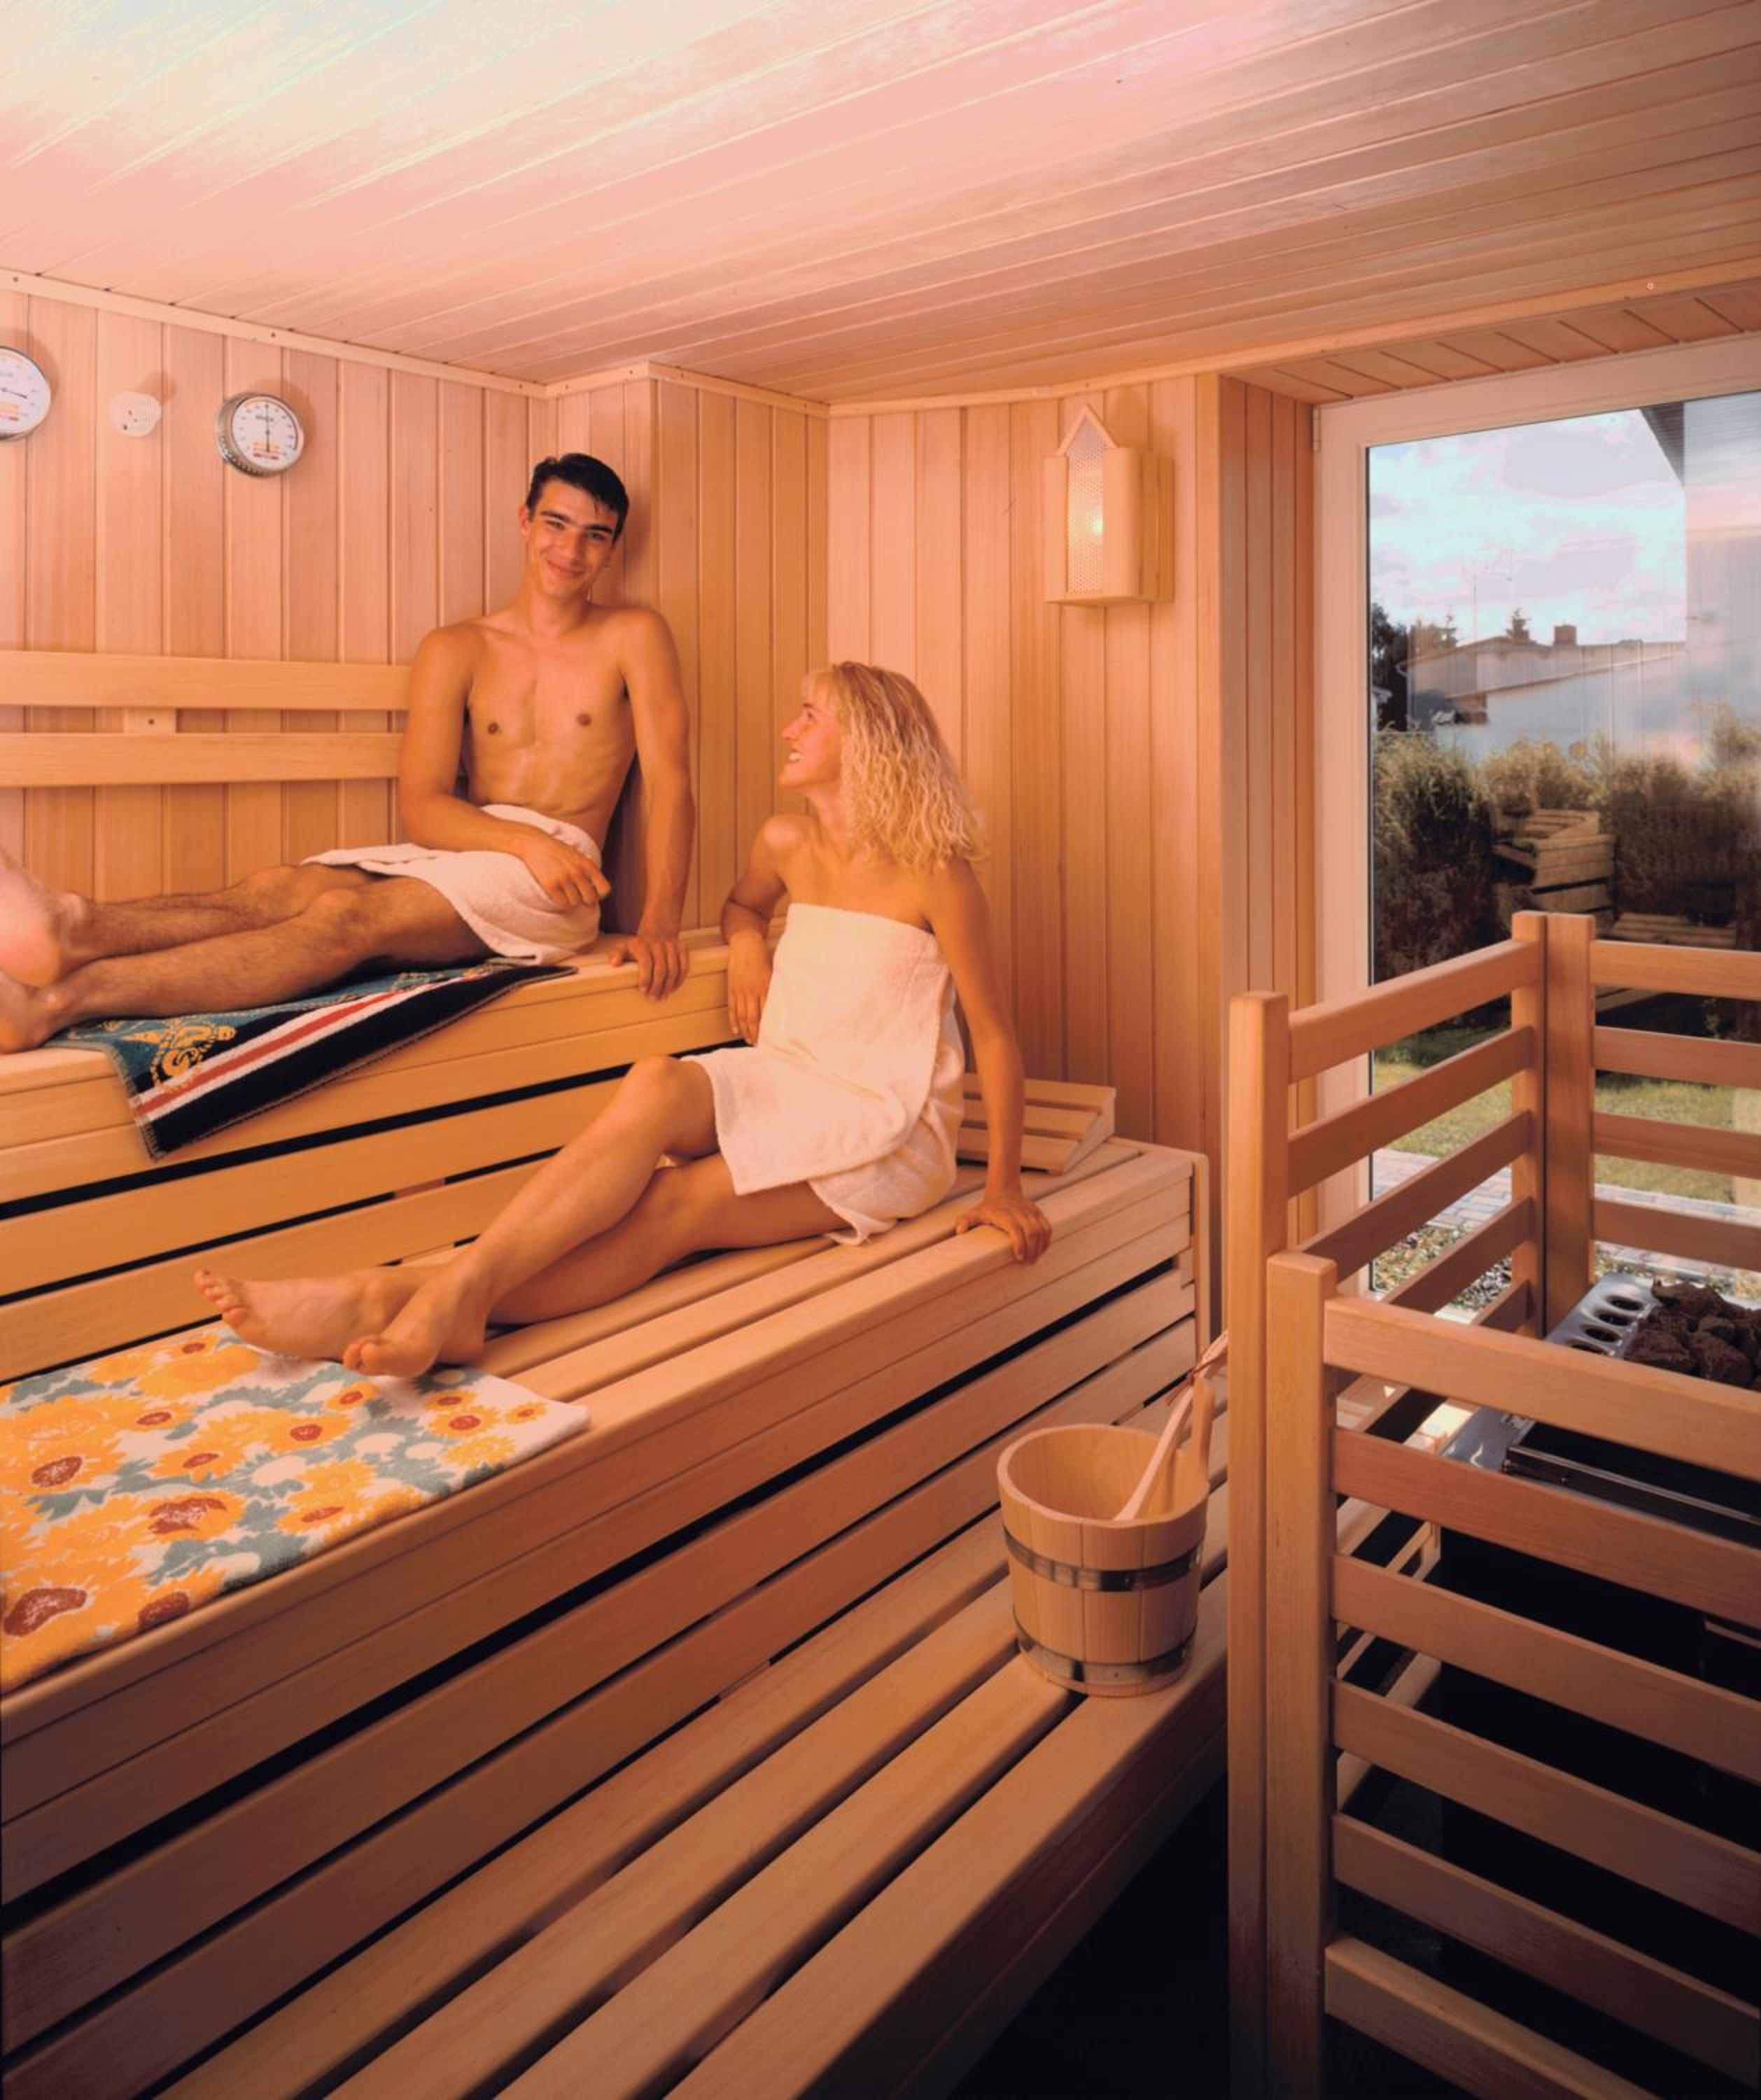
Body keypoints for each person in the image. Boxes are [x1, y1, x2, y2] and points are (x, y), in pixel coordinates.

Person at [195, 662, 1051, 1377]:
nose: (788, 730)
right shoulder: (785, 844)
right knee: (656, 1081)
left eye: (810, 717)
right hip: (789, 1075)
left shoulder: (934, 873)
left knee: (674, 1204)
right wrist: (745, 945)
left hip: (886, 1124)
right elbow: (743, 908)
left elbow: (992, 1032)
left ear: (866, 740)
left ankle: (396, 1297)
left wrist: (1003, 1187)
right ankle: (452, 1300)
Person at [0, 454, 694, 1053]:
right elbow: (423, 804)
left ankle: (58, 1003)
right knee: (283, 889)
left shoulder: (633, 635)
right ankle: (73, 928)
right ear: (525, 521)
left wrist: (660, 926)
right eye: (556, 524)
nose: (571, 550)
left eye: (595, 535)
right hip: (474, 848)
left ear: (612, 549)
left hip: (561, 877)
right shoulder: (457, 647)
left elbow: (670, 783)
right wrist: (519, 843)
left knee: (343, 919)